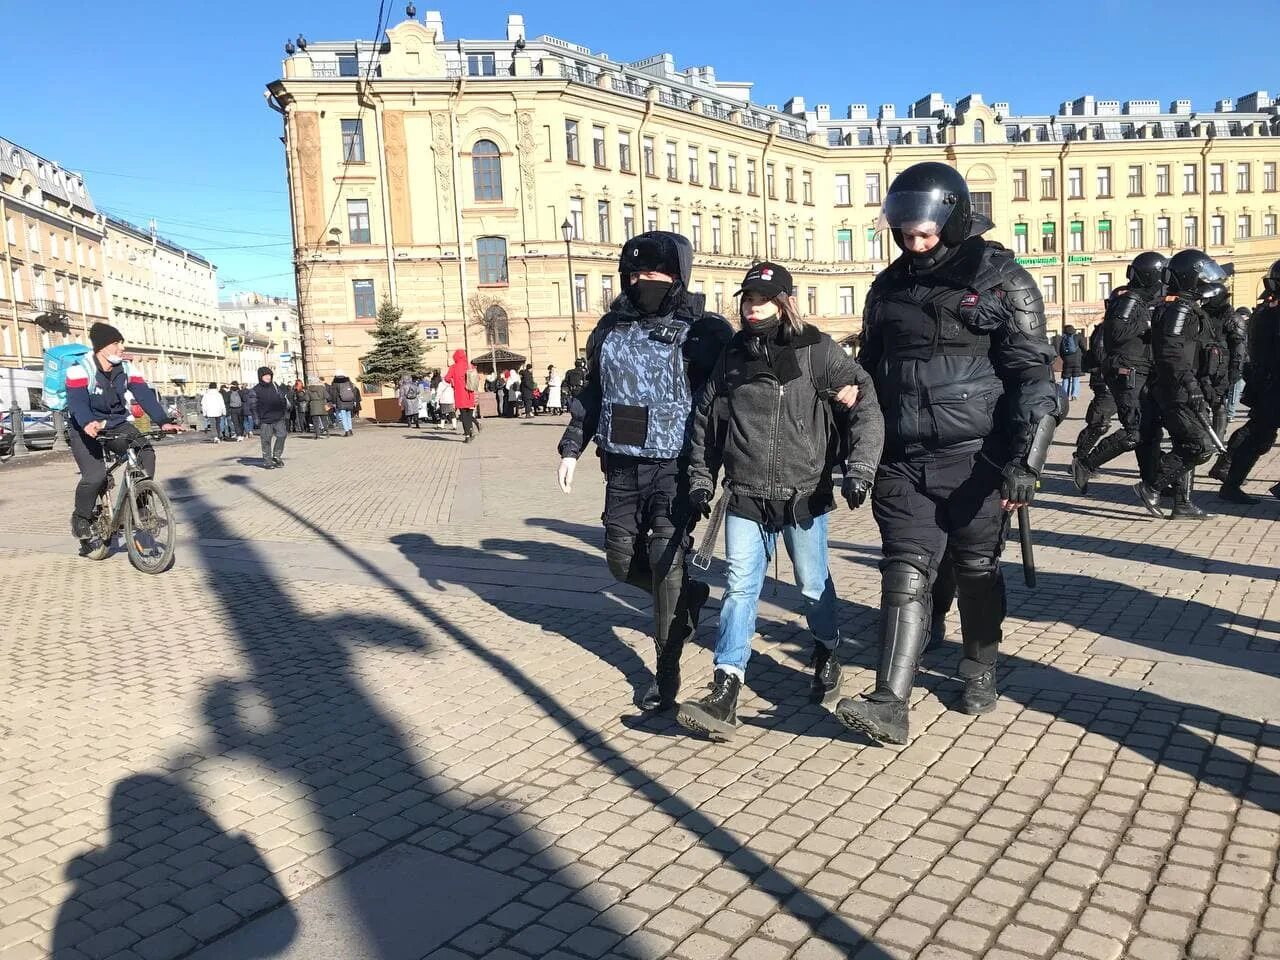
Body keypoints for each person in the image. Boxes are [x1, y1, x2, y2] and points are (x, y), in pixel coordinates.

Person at [832, 162, 1061, 745]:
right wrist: (852, 441)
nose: (916, 239)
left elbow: (1034, 374)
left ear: (955, 217)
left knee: (976, 568)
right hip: (902, 458)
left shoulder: (1005, 278)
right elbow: (870, 370)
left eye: (926, 228)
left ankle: (980, 663)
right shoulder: (888, 285)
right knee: (904, 570)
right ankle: (890, 702)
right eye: (906, 229)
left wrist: (1026, 461)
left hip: (977, 458)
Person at [676, 263, 882, 739]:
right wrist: (701, 479)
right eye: (748, 298)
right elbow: (703, 422)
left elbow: (865, 399)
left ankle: (828, 649)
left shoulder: (817, 350)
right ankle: (725, 689)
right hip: (745, 495)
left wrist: (861, 467)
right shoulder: (731, 355)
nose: (753, 306)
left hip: (803, 495)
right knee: (740, 590)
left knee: (812, 587)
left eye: (764, 298)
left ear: (785, 301)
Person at [557, 231, 733, 712]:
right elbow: (592, 391)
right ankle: (687, 598)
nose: (643, 282)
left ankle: (666, 672)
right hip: (621, 465)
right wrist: (573, 445)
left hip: (675, 466)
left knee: (664, 560)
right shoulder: (609, 328)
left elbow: (731, 396)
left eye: (655, 274)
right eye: (635, 274)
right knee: (619, 560)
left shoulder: (704, 331)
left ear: (677, 277)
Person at [1133, 249, 1231, 519]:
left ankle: (1182, 503)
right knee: (1200, 446)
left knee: (1183, 443)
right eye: (1202, 274)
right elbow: (1171, 352)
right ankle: (1151, 485)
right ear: (1189, 277)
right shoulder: (1179, 310)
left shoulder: (1187, 308)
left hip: (1185, 388)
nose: (1207, 280)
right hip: (1178, 390)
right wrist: (1191, 386)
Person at [66, 323, 182, 542]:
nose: (121, 348)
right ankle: (81, 518)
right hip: (85, 428)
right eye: (116, 343)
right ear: (102, 348)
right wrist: (88, 422)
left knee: (145, 452)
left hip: (116, 424)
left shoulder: (127, 369)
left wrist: (163, 421)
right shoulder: (80, 369)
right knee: (95, 476)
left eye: (120, 342)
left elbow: (144, 395)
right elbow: (77, 402)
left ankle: (138, 505)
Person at [1071, 253, 1166, 494]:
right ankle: (1086, 463)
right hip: (1126, 373)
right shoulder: (1130, 301)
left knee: (1149, 432)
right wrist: (1149, 325)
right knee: (1133, 432)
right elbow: (1116, 331)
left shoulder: (1142, 302)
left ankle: (1151, 482)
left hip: (1140, 372)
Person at [1209, 261, 1280, 502]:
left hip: (1266, 383)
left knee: (1258, 434)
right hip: (1273, 384)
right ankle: (1229, 478)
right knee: (1257, 435)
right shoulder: (1272, 313)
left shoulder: (1265, 310)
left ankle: (1229, 478)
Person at [1074, 325, 1116, 463]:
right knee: (1099, 423)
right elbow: (1099, 353)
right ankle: (1080, 460)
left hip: (1127, 382)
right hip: (1105, 379)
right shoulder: (1106, 329)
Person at [252, 366, 290, 469]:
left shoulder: (275, 386)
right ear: (261, 377)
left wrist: (284, 411)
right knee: (266, 440)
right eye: (265, 375)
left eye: (269, 375)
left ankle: (276, 456)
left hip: (278, 417)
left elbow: (282, 399)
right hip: (265, 419)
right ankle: (267, 460)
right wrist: (256, 418)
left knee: (282, 435)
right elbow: (253, 405)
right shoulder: (256, 390)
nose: (268, 377)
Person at [443, 349, 477, 442]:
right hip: (470, 394)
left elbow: (446, 378)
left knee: (463, 416)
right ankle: (470, 431)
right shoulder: (470, 366)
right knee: (469, 415)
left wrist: (453, 381)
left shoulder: (454, 367)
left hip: (460, 395)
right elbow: (477, 378)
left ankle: (467, 436)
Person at [328, 370, 361, 436]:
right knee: (348, 416)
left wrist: (334, 402)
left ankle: (346, 431)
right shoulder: (348, 381)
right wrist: (354, 400)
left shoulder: (335, 382)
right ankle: (350, 430)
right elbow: (353, 391)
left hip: (340, 401)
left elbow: (333, 394)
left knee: (343, 416)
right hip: (349, 400)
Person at [1058, 324, 1084, 400]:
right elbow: (1083, 348)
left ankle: (1064, 395)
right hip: (1077, 361)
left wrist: (1065, 359)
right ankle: (1074, 395)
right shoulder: (1078, 337)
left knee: (1066, 378)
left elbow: (1060, 351)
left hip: (1067, 362)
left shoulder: (1063, 338)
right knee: (1076, 378)